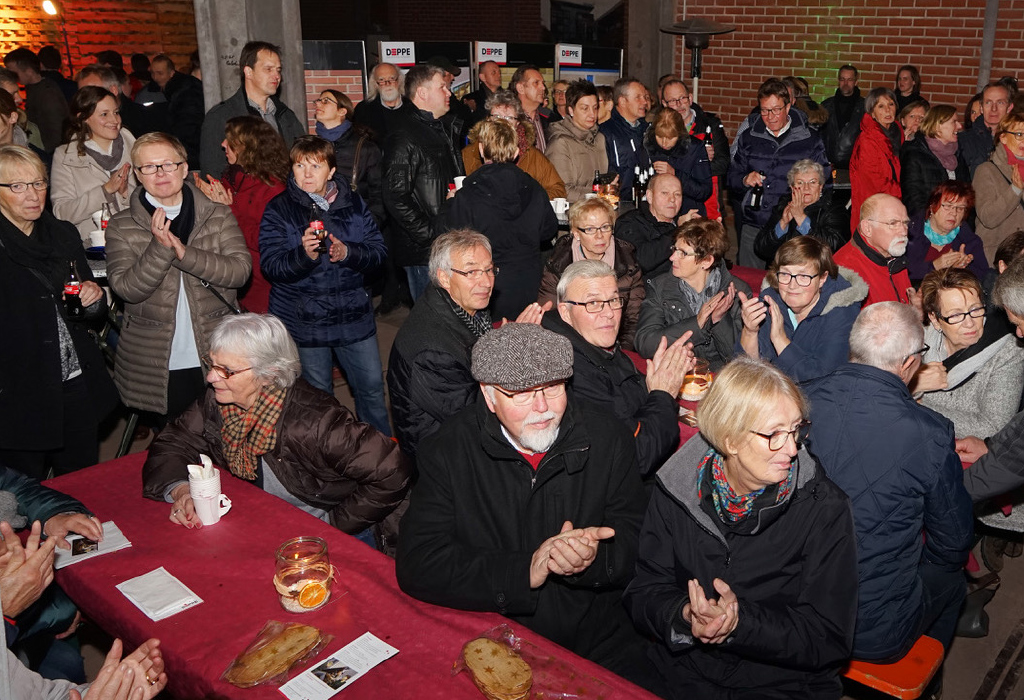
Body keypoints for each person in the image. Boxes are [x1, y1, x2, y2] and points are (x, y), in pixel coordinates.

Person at [396, 322, 654, 688]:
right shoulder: (449, 451)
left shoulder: (607, 437)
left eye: (552, 387)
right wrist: (521, 573)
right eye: (521, 393)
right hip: (493, 635)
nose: (542, 407)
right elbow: (419, 563)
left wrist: (594, 560)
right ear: (488, 396)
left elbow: (640, 540)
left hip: (599, 636)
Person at [624, 356, 858, 700]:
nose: (792, 449)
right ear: (730, 440)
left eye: (796, 430)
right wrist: (685, 615)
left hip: (781, 683)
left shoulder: (824, 508)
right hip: (683, 671)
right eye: (774, 434)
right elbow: (644, 589)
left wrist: (739, 624)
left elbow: (828, 637)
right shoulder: (677, 487)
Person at [142, 313, 410, 544]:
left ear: (268, 373)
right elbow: (172, 442)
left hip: (336, 533)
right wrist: (181, 490)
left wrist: (332, 525)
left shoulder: (315, 423)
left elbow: (392, 471)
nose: (211, 377)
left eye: (227, 370)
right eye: (212, 364)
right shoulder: (217, 401)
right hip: (266, 520)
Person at [803, 302, 973, 663]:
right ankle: (931, 675)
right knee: (954, 580)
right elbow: (952, 544)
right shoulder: (929, 433)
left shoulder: (798, 400)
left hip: (793, 607)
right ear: (910, 362)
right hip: (873, 631)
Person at [105, 133, 252, 425]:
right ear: (137, 174)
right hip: (158, 358)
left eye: (168, 164)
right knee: (176, 447)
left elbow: (239, 271)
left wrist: (185, 253)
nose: (160, 173)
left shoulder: (217, 215)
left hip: (217, 351)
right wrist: (159, 249)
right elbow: (126, 290)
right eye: (149, 167)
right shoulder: (122, 225)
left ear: (185, 169)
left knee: (227, 439)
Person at [0, 144, 117, 481]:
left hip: (73, 381)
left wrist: (92, 300)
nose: (33, 194)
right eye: (18, 186)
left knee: (82, 487)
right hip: (19, 393)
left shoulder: (62, 234)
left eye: (38, 183)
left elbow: (85, 314)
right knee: (23, 498)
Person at [259, 135, 390, 436]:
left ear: (331, 171)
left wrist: (349, 253)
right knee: (319, 400)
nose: (306, 174)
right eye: (300, 165)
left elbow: (379, 252)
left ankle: (380, 457)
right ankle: (327, 459)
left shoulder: (353, 203)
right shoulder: (279, 209)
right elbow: (271, 266)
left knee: (370, 389)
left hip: (353, 317)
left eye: (315, 166)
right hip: (307, 322)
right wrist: (302, 256)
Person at [543, 260, 691, 477]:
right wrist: (663, 394)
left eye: (613, 300)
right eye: (593, 303)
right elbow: (636, 457)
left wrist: (654, 382)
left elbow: (625, 393)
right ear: (565, 312)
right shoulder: (568, 373)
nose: (609, 313)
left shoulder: (591, 342)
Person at [444, 118, 557, 320]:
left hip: (487, 283)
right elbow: (549, 230)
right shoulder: (534, 188)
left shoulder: (468, 194)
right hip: (528, 279)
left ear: (481, 149)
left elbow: (453, 238)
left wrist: (451, 204)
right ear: (515, 152)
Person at [382, 63, 464, 301]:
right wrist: (431, 235)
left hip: (446, 242)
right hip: (424, 253)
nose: (450, 93)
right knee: (433, 323)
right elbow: (395, 196)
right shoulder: (404, 135)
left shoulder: (442, 129)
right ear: (422, 93)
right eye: (443, 87)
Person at [192, 116, 288, 314]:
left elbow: (268, 240)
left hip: (263, 291)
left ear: (247, 146)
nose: (223, 144)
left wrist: (229, 209)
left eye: (229, 140)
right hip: (233, 281)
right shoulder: (232, 180)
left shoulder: (273, 189)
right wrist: (204, 198)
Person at [912, 268, 1024, 438]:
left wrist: (917, 401)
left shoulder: (1007, 351)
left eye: (975, 309)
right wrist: (915, 384)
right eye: (956, 315)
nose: (969, 323)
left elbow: (992, 427)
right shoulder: (916, 341)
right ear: (935, 319)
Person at [730, 79, 829, 268]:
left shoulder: (809, 139)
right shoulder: (749, 137)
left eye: (776, 109)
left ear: (789, 105)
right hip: (755, 221)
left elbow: (824, 184)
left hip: (791, 226)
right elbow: (732, 178)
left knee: (789, 283)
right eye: (765, 110)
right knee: (750, 283)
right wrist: (744, 179)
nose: (770, 116)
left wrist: (809, 215)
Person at [738, 236, 866, 382]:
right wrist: (749, 332)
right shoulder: (770, 300)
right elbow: (745, 368)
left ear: (822, 279)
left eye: (803, 276)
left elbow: (823, 379)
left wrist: (780, 340)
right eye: (785, 274)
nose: (792, 285)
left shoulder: (842, 313)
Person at [635, 218, 751, 370]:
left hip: (722, 380)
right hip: (679, 374)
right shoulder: (660, 287)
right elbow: (645, 343)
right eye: (674, 249)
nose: (672, 258)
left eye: (682, 253)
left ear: (706, 261)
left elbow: (739, 361)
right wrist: (697, 323)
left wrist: (718, 321)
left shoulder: (737, 292)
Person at [538, 197, 643, 350]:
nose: (599, 236)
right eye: (590, 229)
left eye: (605, 227)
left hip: (614, 342)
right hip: (571, 344)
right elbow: (549, 315)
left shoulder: (628, 263)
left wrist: (619, 353)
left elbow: (633, 319)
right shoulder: (558, 263)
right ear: (576, 233)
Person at [199, 41, 305, 178]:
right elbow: (212, 171)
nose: (276, 76)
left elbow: (303, 158)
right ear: (248, 71)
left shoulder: (286, 116)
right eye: (268, 69)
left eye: (278, 70)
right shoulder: (221, 117)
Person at [50, 86, 136, 244]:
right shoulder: (65, 156)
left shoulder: (137, 149)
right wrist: (104, 191)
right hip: (93, 247)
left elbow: (155, 202)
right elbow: (62, 213)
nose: (114, 120)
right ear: (83, 118)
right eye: (104, 114)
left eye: (116, 112)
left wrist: (126, 193)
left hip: (137, 242)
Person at [461, 89, 565, 200]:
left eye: (509, 118)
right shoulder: (470, 153)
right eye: (496, 116)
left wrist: (527, 200)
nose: (503, 122)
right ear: (488, 120)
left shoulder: (532, 155)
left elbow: (558, 189)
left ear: (517, 123)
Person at [754, 159, 848, 265]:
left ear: (821, 186)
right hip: (783, 271)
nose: (806, 188)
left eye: (812, 182)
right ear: (792, 187)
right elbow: (761, 249)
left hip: (819, 273)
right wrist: (782, 224)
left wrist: (801, 218)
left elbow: (834, 247)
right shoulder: (783, 206)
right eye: (800, 183)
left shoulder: (834, 209)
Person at [313, 89, 384, 226]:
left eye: (326, 101)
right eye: (318, 100)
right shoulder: (312, 146)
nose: (318, 104)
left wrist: (367, 227)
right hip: (320, 225)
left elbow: (378, 195)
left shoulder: (365, 148)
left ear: (342, 111)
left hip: (354, 224)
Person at [661, 79, 730, 211]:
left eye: (683, 98)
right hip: (671, 206)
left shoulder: (710, 125)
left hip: (707, 205)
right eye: (673, 101)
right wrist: (700, 160)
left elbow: (723, 164)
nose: (679, 104)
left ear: (690, 98)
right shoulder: (659, 130)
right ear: (664, 104)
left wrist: (680, 169)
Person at [615, 173, 700, 280]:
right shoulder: (630, 222)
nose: (672, 199)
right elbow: (640, 262)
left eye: (677, 194)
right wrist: (680, 230)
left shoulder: (683, 221)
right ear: (650, 196)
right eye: (665, 193)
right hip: (648, 292)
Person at [833, 193, 913, 306]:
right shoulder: (844, 271)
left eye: (905, 223)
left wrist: (916, 310)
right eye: (893, 223)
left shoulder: (893, 257)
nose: (904, 231)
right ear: (867, 228)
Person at [906, 181, 988, 284]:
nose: (954, 213)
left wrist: (960, 271)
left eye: (960, 208)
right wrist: (934, 266)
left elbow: (982, 278)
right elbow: (900, 274)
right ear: (932, 207)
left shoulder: (970, 242)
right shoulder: (909, 234)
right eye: (948, 206)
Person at [545, 79, 610, 203]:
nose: (592, 114)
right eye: (585, 109)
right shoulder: (560, 143)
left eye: (595, 108)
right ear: (570, 110)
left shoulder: (600, 138)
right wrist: (598, 194)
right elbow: (562, 191)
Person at [850, 87, 903, 232]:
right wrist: (906, 192)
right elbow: (875, 182)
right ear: (872, 113)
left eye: (890, 104)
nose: (887, 110)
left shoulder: (897, 133)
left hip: (893, 206)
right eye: (881, 106)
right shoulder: (868, 140)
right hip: (874, 212)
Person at [900, 104, 969, 216]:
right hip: (927, 227)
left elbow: (967, 196)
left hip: (956, 226)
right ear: (938, 127)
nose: (960, 126)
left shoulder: (958, 154)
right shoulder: (915, 154)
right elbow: (913, 200)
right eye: (954, 122)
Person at [974, 111, 1024, 265]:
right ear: (1002, 137)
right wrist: (1015, 190)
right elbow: (988, 217)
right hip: (997, 259)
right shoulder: (986, 170)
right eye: (1019, 134)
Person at [644, 108, 712, 218]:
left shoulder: (694, 148)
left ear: (679, 134)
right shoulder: (647, 147)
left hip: (686, 213)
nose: (664, 143)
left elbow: (704, 191)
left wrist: (675, 174)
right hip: (654, 215)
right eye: (660, 137)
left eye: (671, 138)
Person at [2, 48, 68, 153]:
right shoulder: (33, 88)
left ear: (28, 71)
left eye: (13, 72)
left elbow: (56, 131)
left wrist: (47, 155)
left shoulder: (47, 93)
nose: (10, 76)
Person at [146, 55, 204, 170]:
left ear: (171, 73)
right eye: (152, 73)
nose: (156, 78)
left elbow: (188, 127)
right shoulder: (162, 89)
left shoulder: (186, 91)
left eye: (160, 73)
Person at [599, 77, 651, 205]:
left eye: (645, 97)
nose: (644, 101)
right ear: (622, 101)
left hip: (647, 205)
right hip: (619, 205)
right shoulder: (605, 132)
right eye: (638, 97)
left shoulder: (649, 130)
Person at [75, 63, 152, 139]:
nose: (86, 99)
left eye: (94, 92)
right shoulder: (77, 125)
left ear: (113, 90)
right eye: (82, 94)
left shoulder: (144, 120)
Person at [351, 62, 413, 145]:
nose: (388, 84)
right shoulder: (363, 110)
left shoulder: (413, 107)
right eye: (381, 80)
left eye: (392, 78)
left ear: (399, 81)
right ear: (375, 84)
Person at [959, 81, 1012, 177]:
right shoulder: (963, 141)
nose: (994, 109)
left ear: (1009, 108)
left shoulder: (1018, 141)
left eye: (1000, 102)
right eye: (988, 102)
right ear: (981, 108)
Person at [821, 64, 865, 167]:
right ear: (838, 81)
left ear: (856, 82)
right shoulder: (826, 105)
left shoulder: (866, 107)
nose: (845, 83)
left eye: (849, 79)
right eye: (842, 79)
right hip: (829, 164)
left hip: (855, 165)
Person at [509, 65, 559, 152]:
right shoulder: (509, 119)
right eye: (536, 83)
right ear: (521, 88)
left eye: (543, 83)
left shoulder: (550, 118)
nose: (543, 87)